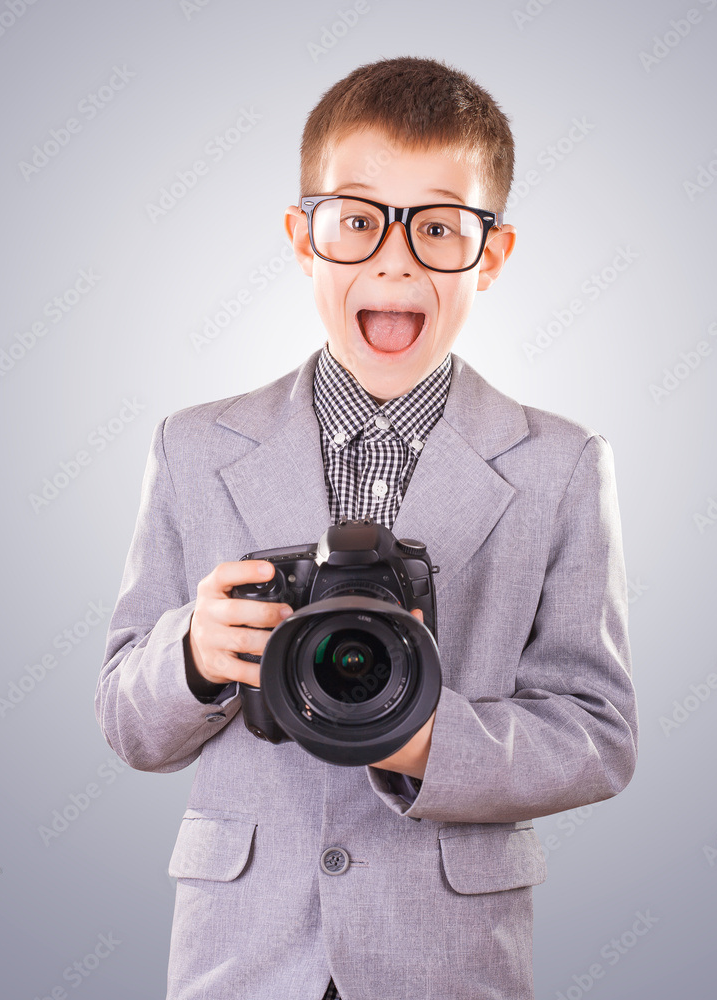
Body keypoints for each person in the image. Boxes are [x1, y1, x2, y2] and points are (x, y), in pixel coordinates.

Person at [96, 56, 638, 1000]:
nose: (394, 259)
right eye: (356, 220)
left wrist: (426, 741)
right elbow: (126, 723)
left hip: (448, 957)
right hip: (242, 952)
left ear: (493, 254)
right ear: (303, 240)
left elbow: (597, 735)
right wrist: (192, 650)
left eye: (438, 227)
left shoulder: (560, 464)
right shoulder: (192, 445)